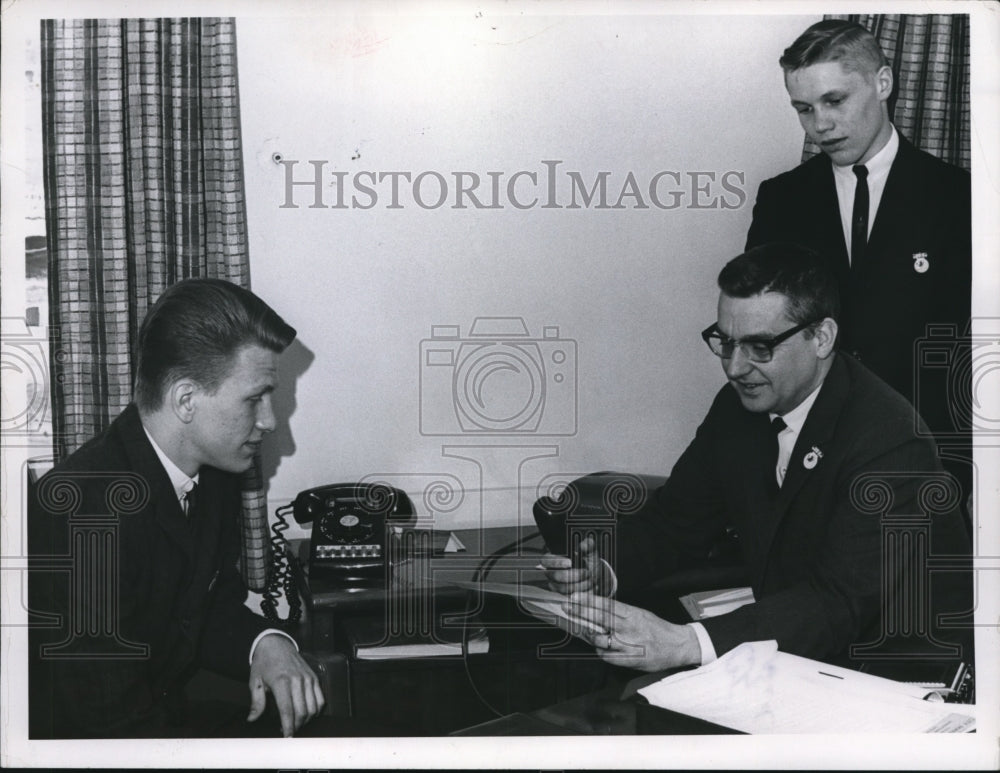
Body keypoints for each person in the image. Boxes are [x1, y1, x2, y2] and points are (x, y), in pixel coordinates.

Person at [541, 243, 971, 672]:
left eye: (759, 346)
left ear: (821, 338)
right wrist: (603, 571)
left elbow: (839, 603)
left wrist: (686, 643)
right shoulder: (738, 409)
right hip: (794, 650)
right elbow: (674, 523)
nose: (734, 367)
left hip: (892, 672)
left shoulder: (889, 439)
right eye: (725, 343)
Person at [28, 278, 324, 738]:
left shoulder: (214, 473)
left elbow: (202, 608)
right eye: (254, 399)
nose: (268, 421)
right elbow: (106, 724)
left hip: (163, 720)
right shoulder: (84, 516)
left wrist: (268, 642)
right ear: (186, 400)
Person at [744, 20, 971, 499]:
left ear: (882, 83)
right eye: (803, 109)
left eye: (834, 100)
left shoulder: (962, 199)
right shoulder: (781, 199)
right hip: (814, 463)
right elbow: (759, 335)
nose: (819, 125)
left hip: (929, 461)